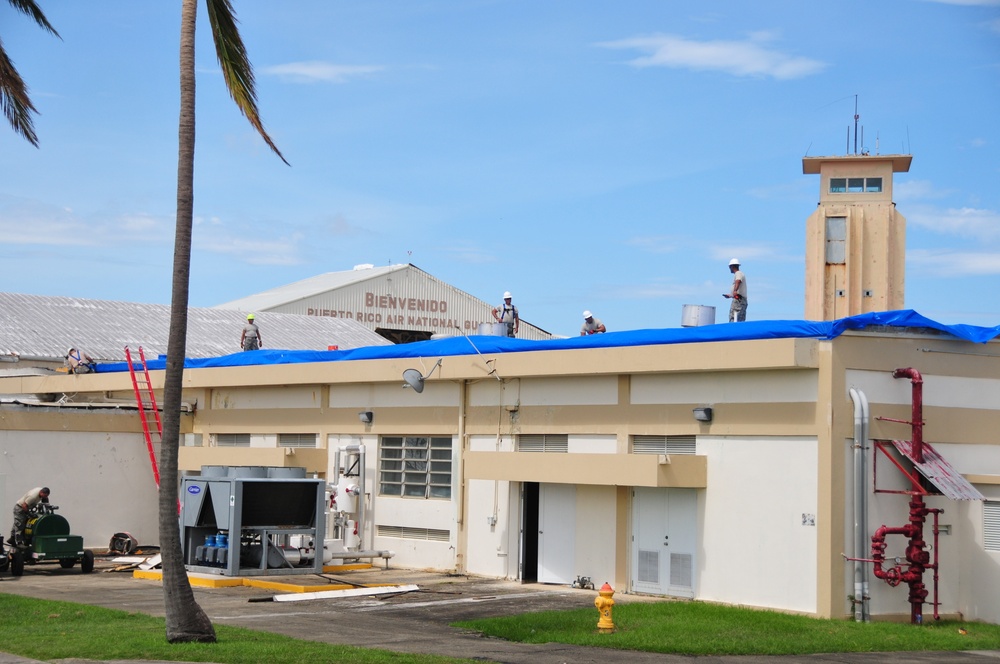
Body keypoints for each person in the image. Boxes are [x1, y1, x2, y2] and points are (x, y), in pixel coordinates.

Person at [722, 258, 748, 322]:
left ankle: (732, 330)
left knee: (733, 317)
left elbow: (738, 281)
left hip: (738, 300)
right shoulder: (740, 273)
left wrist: (735, 290)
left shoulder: (738, 273)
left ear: (732, 266)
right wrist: (731, 295)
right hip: (741, 300)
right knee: (740, 319)